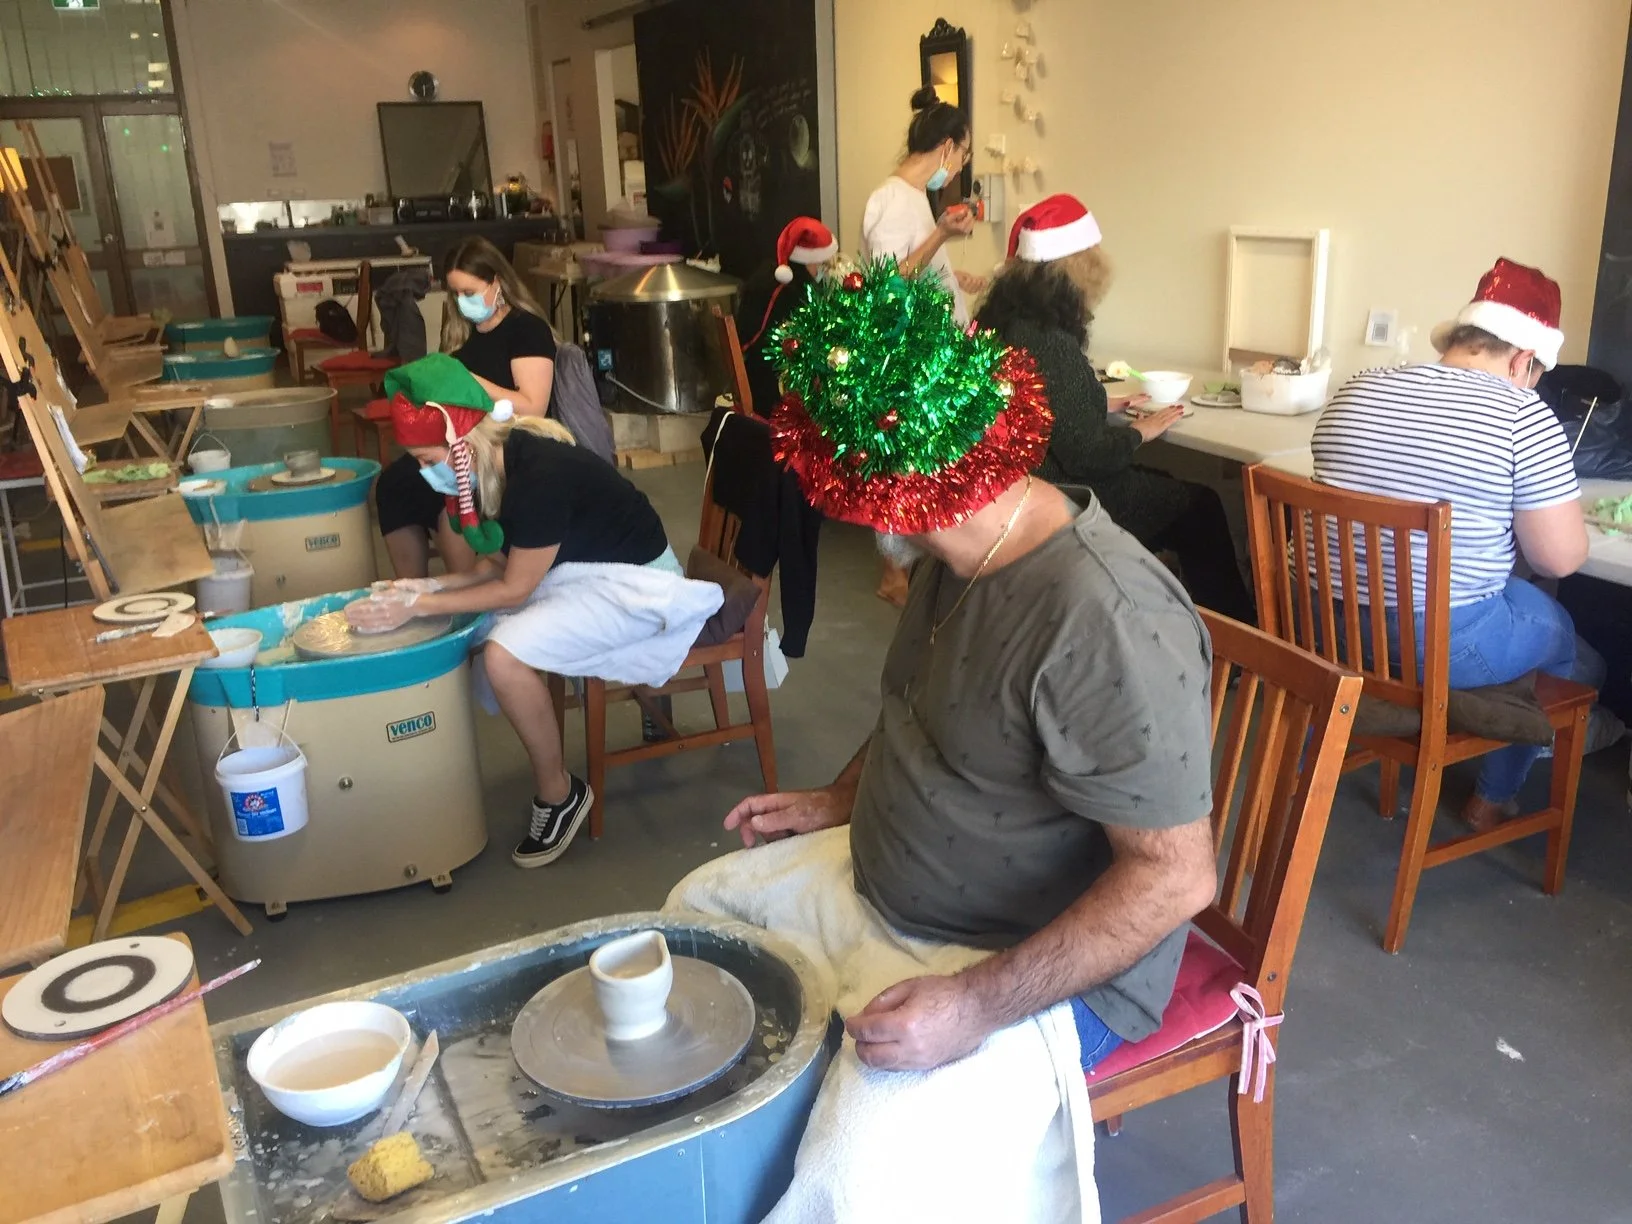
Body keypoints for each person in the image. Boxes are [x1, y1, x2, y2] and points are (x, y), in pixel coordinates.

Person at [664, 261, 1218, 1215]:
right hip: (892, 885)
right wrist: (840, 798)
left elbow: (1176, 880)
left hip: (1022, 965)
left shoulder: (1106, 621)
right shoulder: (957, 544)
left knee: (854, 1186)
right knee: (694, 922)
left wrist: (974, 1006)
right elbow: (917, 705)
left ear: (880, 503)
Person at [348, 363, 724, 868]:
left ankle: (559, 794)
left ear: (462, 444)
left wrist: (417, 606)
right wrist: (427, 586)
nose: (423, 472)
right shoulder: (501, 461)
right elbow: (500, 562)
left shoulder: (539, 476)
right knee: (476, 627)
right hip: (587, 569)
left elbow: (513, 587)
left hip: (640, 588)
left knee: (502, 655)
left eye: (426, 459)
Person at [1313, 257, 1608, 832]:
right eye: (1537, 373)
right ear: (1523, 360)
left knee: (1511, 604)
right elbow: (1559, 558)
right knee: (1558, 632)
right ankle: (1493, 796)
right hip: (1430, 643)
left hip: (1328, 626)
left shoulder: (1358, 386)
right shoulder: (1522, 414)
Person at [979, 195, 1257, 625]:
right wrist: (1139, 432)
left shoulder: (1004, 327)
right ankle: (1237, 633)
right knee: (1200, 507)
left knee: (1170, 488)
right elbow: (1089, 454)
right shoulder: (1050, 342)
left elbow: (1042, 403)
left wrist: (1096, 400)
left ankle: (1163, 610)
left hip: (1026, 491)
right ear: (1076, 269)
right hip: (1072, 497)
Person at [376, 237, 558, 581]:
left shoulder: (527, 330)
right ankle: (412, 588)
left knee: (451, 490)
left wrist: (467, 381)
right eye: (456, 294)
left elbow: (533, 408)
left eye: (470, 292)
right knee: (395, 484)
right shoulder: (462, 334)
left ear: (497, 283)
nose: (462, 302)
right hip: (462, 441)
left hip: (506, 444)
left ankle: (463, 587)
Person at [735, 216, 839, 416]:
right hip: (771, 390)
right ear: (809, 260)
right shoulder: (788, 293)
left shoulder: (769, 277)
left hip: (756, 377)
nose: (823, 270)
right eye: (821, 263)